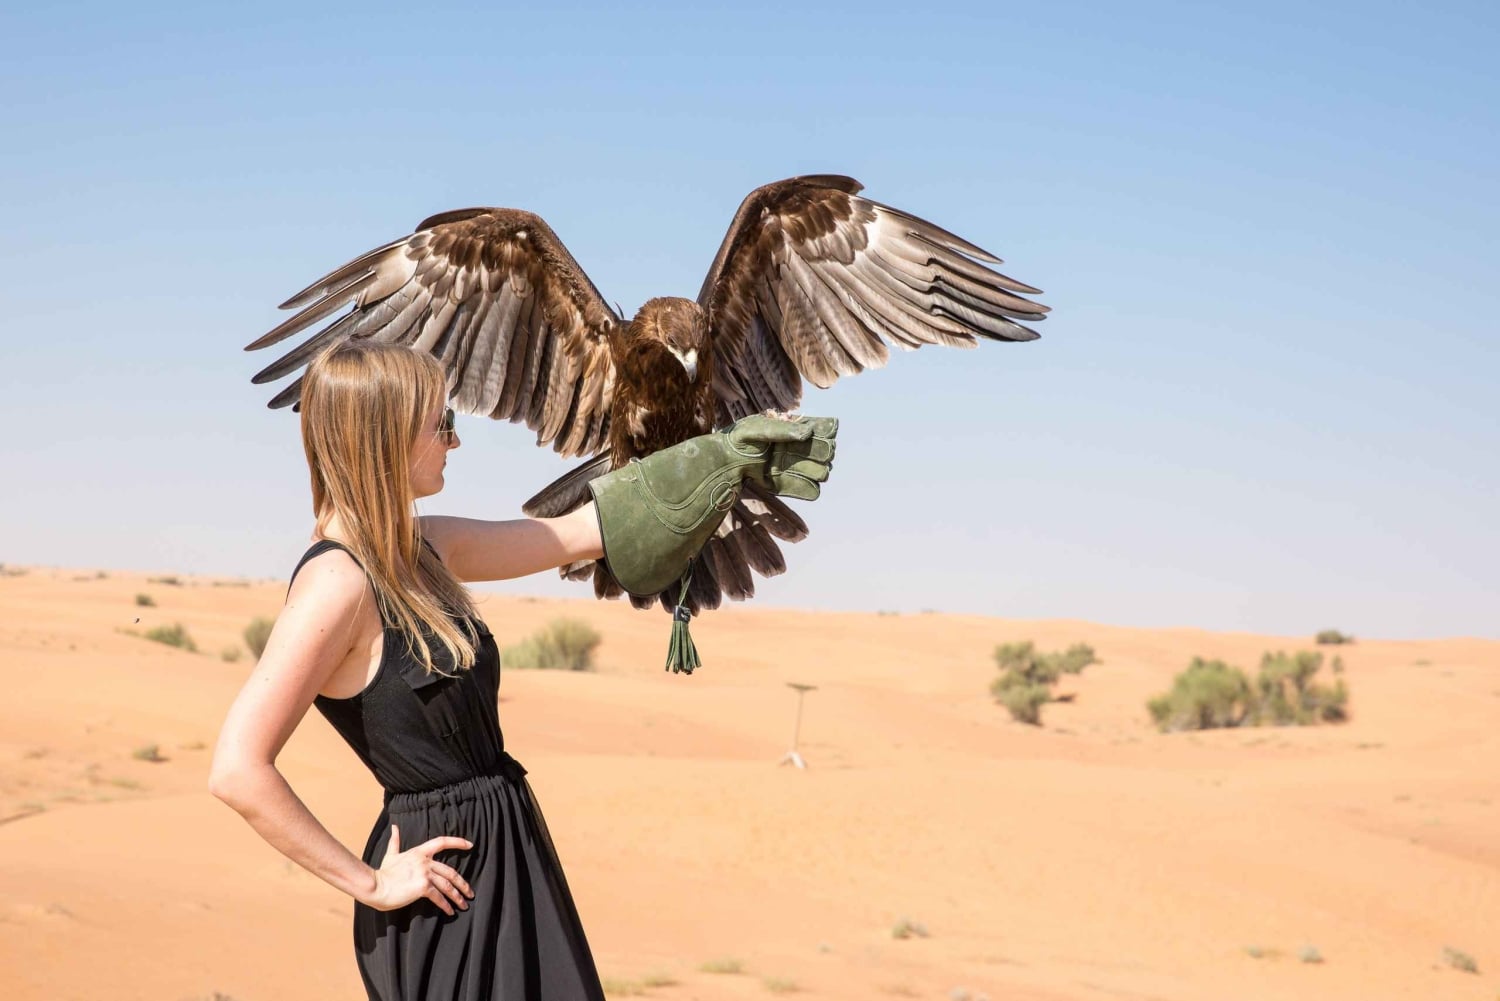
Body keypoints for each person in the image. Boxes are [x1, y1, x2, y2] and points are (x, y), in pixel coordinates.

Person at [209, 340, 836, 1001]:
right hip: (443, 891)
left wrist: (723, 458)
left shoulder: (424, 547)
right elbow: (236, 767)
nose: (454, 441)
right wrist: (371, 883)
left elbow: (578, 533)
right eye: (441, 423)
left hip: (508, 850)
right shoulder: (336, 583)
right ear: (388, 435)